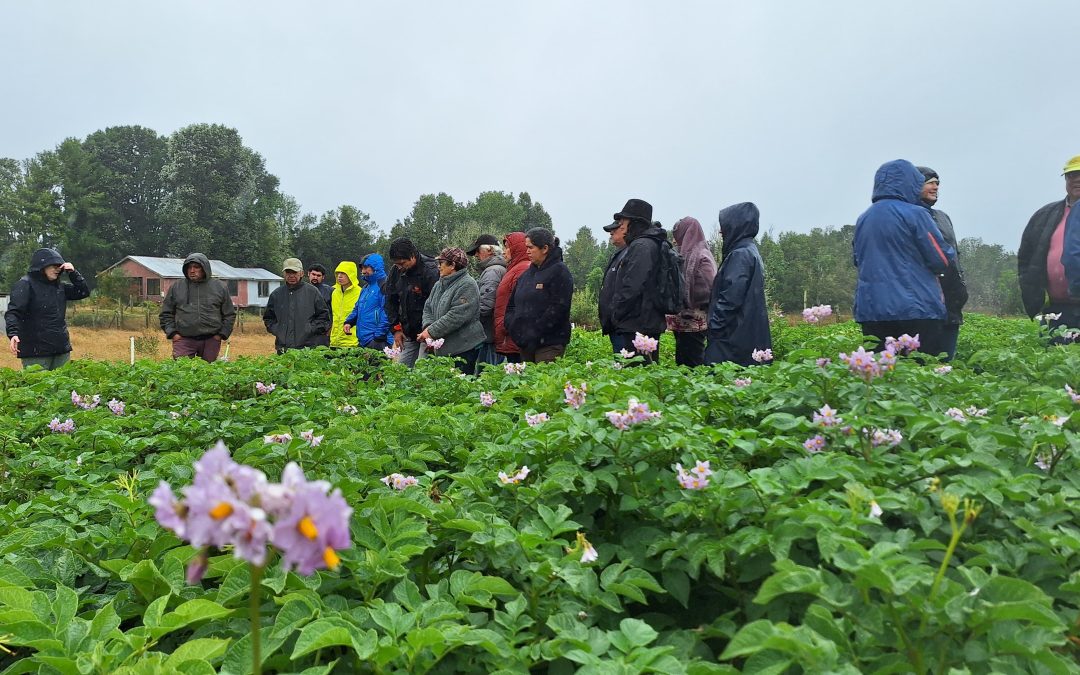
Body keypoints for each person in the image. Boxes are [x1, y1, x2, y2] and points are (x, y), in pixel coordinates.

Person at [852, 159, 956, 357]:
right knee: (920, 372)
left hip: (871, 309)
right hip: (916, 308)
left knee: (881, 373)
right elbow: (940, 258)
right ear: (911, 184)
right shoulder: (916, 214)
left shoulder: (864, 217)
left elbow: (857, 259)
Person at [704, 203, 772, 366]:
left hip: (732, 339)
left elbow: (730, 299)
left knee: (722, 385)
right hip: (743, 334)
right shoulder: (750, 250)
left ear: (736, 226)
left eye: (724, 226)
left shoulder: (740, 255)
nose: (721, 231)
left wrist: (714, 327)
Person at [602, 199, 668, 363]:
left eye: (624, 220)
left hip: (638, 325)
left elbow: (632, 286)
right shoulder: (645, 244)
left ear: (635, 222)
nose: (621, 225)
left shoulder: (642, 246)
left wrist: (616, 313)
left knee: (637, 379)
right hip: (640, 322)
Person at [4, 248, 90, 370]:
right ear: (41, 266)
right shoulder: (25, 284)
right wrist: (13, 334)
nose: (58, 269)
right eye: (53, 266)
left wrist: (73, 273)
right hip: (35, 351)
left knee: (63, 387)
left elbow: (83, 292)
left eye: (60, 266)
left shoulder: (60, 287)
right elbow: (14, 312)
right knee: (39, 386)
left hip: (61, 348)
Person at [1021, 155, 1080, 331]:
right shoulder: (1045, 215)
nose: (1076, 179)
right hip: (1057, 309)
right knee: (1055, 356)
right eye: (1071, 175)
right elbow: (1026, 258)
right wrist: (1032, 296)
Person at [917, 166, 968, 360]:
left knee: (945, 366)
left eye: (937, 183)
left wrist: (961, 288)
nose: (935, 187)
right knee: (923, 367)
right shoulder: (910, 216)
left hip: (951, 303)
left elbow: (954, 256)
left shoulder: (943, 217)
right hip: (925, 305)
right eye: (930, 182)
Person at [504, 227, 574, 362]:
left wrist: (534, 331)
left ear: (545, 248)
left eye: (531, 247)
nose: (527, 251)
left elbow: (559, 308)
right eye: (526, 247)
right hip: (525, 343)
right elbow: (511, 305)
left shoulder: (560, 272)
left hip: (549, 343)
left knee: (543, 381)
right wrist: (513, 327)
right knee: (526, 382)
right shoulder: (526, 275)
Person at [418, 247, 487, 374]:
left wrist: (431, 331)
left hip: (463, 347)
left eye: (441, 263)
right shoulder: (439, 284)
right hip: (443, 347)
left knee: (460, 386)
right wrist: (428, 327)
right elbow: (428, 307)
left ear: (453, 265)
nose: (438, 267)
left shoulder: (467, 284)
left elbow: (457, 316)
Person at [159, 252, 236, 363]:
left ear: (204, 268)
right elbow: (166, 313)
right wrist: (173, 333)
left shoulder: (219, 287)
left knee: (208, 373)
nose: (192, 270)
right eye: (189, 267)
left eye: (196, 267)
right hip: (184, 339)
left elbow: (229, 314)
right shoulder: (177, 287)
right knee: (182, 371)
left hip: (211, 339)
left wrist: (221, 335)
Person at [666, 217, 718, 367]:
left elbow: (709, 286)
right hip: (682, 320)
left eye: (678, 235)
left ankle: (696, 388)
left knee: (693, 361)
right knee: (683, 360)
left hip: (695, 318)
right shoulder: (682, 253)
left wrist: (690, 300)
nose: (676, 240)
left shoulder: (701, 254)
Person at [385, 237, 440, 367]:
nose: (399, 267)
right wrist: (395, 329)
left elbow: (436, 305)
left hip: (427, 331)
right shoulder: (396, 270)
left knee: (422, 371)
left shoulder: (431, 271)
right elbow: (390, 301)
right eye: (396, 264)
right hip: (408, 332)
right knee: (400, 370)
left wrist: (431, 331)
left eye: (402, 263)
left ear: (413, 256)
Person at [263, 258, 331, 354]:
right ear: (284, 274)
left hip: (307, 349)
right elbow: (268, 318)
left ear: (302, 273)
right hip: (283, 348)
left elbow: (324, 318)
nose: (291, 276)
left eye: (294, 272)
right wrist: (279, 330)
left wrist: (309, 329)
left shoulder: (313, 292)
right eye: (288, 272)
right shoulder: (276, 294)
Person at [467, 234, 507, 365]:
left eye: (478, 251)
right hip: (495, 333)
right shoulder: (499, 268)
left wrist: (468, 318)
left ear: (489, 250)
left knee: (487, 375)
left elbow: (486, 305)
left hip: (490, 334)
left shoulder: (492, 272)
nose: (476, 256)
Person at [343, 253, 394, 350]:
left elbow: (387, 313)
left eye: (366, 267)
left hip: (379, 341)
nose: (363, 271)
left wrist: (378, 337)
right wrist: (349, 322)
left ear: (375, 267)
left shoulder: (384, 285)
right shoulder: (366, 287)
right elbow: (358, 307)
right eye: (362, 268)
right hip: (363, 340)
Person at [493, 232, 529, 363]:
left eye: (507, 247)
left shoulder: (522, 269)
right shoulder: (513, 269)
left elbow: (520, 304)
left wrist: (507, 325)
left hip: (514, 335)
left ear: (517, 249)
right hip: (510, 334)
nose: (504, 252)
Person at [598, 220, 631, 353]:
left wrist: (616, 314)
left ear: (625, 230)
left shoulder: (630, 253)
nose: (611, 233)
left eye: (615, 229)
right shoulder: (618, 254)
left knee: (626, 365)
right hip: (614, 324)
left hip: (622, 325)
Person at [329, 261, 361, 349]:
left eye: (343, 273)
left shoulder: (360, 292)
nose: (339, 276)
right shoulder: (334, 292)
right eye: (338, 273)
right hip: (334, 341)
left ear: (351, 275)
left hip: (352, 342)